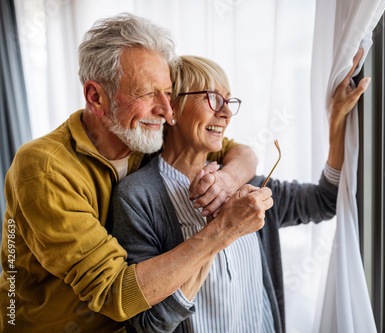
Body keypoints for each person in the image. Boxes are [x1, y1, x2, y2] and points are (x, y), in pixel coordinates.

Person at [0, 14, 272, 332]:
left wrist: (227, 179)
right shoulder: (44, 169)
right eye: (147, 93)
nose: (167, 111)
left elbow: (239, 151)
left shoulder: (146, 136)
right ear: (95, 97)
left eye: (168, 94)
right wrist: (222, 231)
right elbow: (117, 293)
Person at [110, 53, 370, 332]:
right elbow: (149, 325)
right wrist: (224, 230)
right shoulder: (137, 197)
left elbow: (325, 201)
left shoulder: (247, 184)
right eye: (212, 98)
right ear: (171, 107)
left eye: (229, 101)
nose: (226, 113)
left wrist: (337, 122)